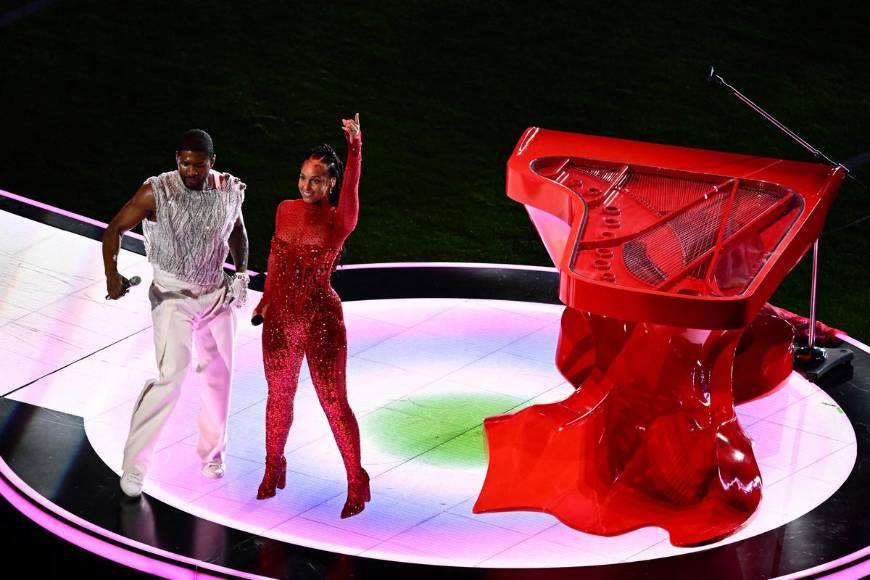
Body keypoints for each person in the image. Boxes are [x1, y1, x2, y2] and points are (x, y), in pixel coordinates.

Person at [102, 129, 249, 498]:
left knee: (220, 375)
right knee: (173, 374)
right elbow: (115, 229)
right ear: (177, 159)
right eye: (185, 163)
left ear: (211, 162)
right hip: (172, 295)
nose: (191, 171)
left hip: (216, 292)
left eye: (198, 164)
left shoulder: (228, 190)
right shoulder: (157, 191)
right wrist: (112, 274)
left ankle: (212, 455)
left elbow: (237, 231)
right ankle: (134, 466)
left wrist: (242, 273)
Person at [253, 114, 368, 518]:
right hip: (281, 320)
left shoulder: (340, 220)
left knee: (334, 403)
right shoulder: (284, 209)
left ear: (330, 184)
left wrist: (356, 145)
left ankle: (356, 480)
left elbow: (353, 186)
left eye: (316, 180)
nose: (307, 186)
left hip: (322, 321)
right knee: (278, 399)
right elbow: (274, 257)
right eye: (303, 177)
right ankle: (273, 468)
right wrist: (265, 301)